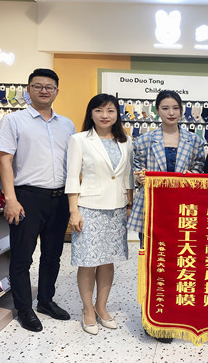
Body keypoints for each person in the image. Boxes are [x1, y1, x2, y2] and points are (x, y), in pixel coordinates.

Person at [0, 68, 76, 332]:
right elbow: (4, 160)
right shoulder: (13, 121)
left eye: (49, 87)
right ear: (28, 89)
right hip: (26, 197)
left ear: (56, 91)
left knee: (53, 255)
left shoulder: (67, 125)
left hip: (59, 198)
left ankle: (45, 301)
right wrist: (10, 198)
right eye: (38, 86)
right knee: (22, 256)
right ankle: (24, 308)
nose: (44, 90)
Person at [126, 90, 206, 343]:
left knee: (180, 264)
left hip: (183, 212)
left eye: (175, 108)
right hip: (152, 210)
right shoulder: (143, 140)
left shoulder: (195, 140)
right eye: (165, 108)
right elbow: (136, 169)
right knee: (153, 264)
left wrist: (190, 176)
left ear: (181, 110)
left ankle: (175, 314)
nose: (171, 113)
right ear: (157, 111)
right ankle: (153, 319)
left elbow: (199, 169)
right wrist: (140, 176)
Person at [65, 94, 134, 335]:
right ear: (91, 114)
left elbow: (127, 176)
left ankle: (101, 307)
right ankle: (87, 310)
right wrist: (73, 210)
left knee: (107, 261)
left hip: (116, 208)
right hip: (89, 208)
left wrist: (129, 204)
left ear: (117, 115)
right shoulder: (79, 140)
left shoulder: (126, 141)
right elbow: (72, 177)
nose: (105, 115)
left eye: (110, 111)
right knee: (88, 261)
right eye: (99, 110)